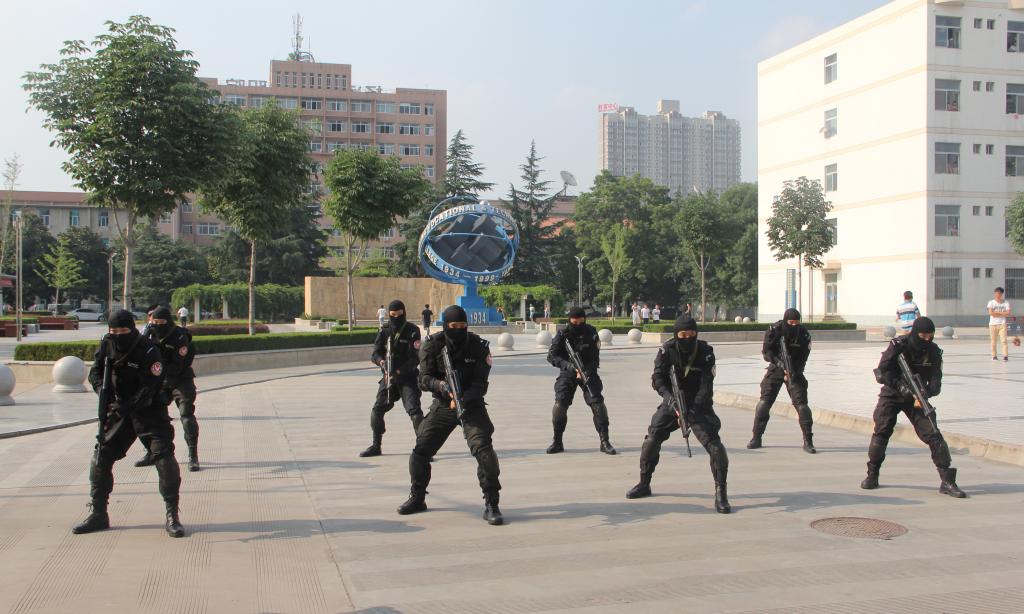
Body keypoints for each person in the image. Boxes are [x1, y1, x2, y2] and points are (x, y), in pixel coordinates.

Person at [72, 309, 185, 537]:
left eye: (122, 331)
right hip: (119, 410)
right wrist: (103, 393)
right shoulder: (107, 344)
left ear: (132, 329)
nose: (117, 335)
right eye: (113, 331)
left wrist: (131, 404)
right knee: (101, 456)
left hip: (149, 411)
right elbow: (95, 372)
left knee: (164, 458)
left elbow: (152, 384)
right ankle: (98, 513)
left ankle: (172, 515)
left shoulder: (148, 349)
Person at [397, 305, 503, 525]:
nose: (459, 330)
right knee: (420, 452)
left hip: (471, 405)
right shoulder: (432, 345)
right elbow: (423, 379)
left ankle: (492, 503)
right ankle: (417, 497)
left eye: (463, 326)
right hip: (444, 405)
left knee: (484, 451)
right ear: (446, 325)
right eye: (454, 326)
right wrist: (442, 386)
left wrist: (463, 398)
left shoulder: (478, 346)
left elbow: (481, 384)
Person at [626, 317, 731, 514]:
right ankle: (644, 483)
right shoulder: (667, 350)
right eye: (683, 335)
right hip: (672, 401)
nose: (688, 338)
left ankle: (721, 493)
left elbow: (706, 385)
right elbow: (658, 378)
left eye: (692, 335)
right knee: (652, 438)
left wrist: (693, 410)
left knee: (715, 446)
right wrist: (670, 400)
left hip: (699, 405)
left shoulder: (706, 352)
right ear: (676, 334)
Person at [860, 317, 966, 498]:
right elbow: (881, 371)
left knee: (934, 435)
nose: (926, 340)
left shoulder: (933, 351)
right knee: (882, 431)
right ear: (915, 333)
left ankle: (947, 481)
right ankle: (872, 474)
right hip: (892, 393)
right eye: (922, 336)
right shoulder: (899, 345)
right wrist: (900, 386)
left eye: (930, 336)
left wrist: (927, 392)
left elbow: (936, 380)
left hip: (917, 397)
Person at [135, 306, 201, 471]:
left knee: (186, 415)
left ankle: (193, 455)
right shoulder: (150, 334)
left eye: (161, 322)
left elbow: (177, 365)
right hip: (160, 381)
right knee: (143, 414)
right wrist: (144, 338)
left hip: (181, 379)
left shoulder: (180, 336)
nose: (157, 325)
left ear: (168, 321)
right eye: (154, 322)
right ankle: (151, 452)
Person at [545, 306, 616, 455]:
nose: (578, 325)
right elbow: (552, 356)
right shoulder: (562, 334)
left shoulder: (591, 332)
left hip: (587, 372)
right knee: (560, 403)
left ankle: (605, 441)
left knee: (597, 403)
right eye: (574, 323)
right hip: (568, 372)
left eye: (581, 322)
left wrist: (585, 371)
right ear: (569, 321)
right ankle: (557, 442)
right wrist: (570, 366)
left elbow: (595, 358)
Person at [746, 308, 815, 452]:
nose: (794, 325)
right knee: (764, 403)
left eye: (796, 323)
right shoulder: (775, 330)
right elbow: (766, 352)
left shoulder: (803, 334)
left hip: (794, 370)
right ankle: (756, 437)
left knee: (802, 405)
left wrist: (793, 372)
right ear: (785, 321)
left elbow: (804, 357)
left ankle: (808, 441)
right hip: (776, 367)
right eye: (791, 322)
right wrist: (779, 363)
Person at [360, 300, 423, 457]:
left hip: (407, 378)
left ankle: (424, 447)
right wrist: (382, 363)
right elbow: (375, 353)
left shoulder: (412, 330)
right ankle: (376, 445)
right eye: (393, 315)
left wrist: (400, 371)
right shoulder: (385, 330)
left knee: (415, 413)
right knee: (377, 410)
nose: (396, 318)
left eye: (399, 315)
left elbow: (415, 359)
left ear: (404, 313)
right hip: (389, 377)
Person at [987, 286, 1011, 361]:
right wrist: (1002, 313)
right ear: (995, 293)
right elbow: (991, 313)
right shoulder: (991, 302)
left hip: (1002, 324)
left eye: (999, 293)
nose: (997, 295)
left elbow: (1008, 313)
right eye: (996, 293)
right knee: (993, 341)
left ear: (1001, 294)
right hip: (992, 324)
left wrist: (996, 312)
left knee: (1004, 341)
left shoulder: (1006, 303)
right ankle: (994, 356)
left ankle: (1005, 356)